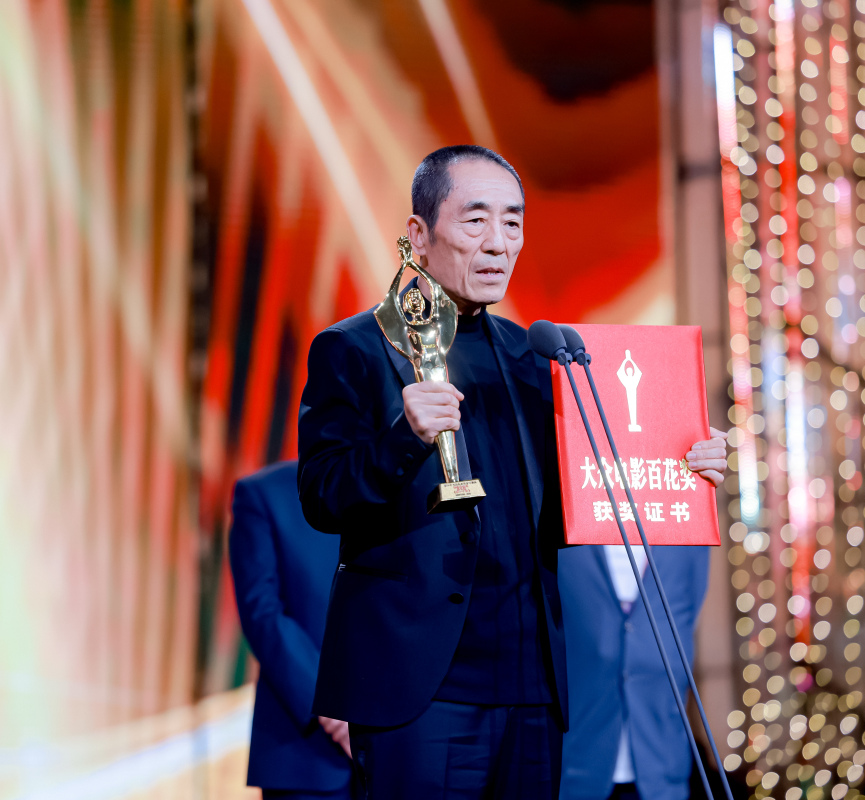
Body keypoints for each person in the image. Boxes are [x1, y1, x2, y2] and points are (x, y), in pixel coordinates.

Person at [297, 144, 728, 799]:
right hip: (422, 691)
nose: (498, 243)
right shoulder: (354, 349)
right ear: (419, 234)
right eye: (476, 221)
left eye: (513, 222)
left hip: (532, 689)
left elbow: (577, 506)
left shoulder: (535, 359)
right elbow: (322, 497)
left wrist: (680, 467)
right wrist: (403, 439)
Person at [229, 460, 354, 800]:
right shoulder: (264, 493)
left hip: (406, 749)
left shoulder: (414, 487)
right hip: (306, 753)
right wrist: (333, 707)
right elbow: (262, 612)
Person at [559, 543, 710, 800]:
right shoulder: (564, 527)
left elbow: (688, 609)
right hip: (578, 765)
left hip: (662, 766)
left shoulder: (686, 529)